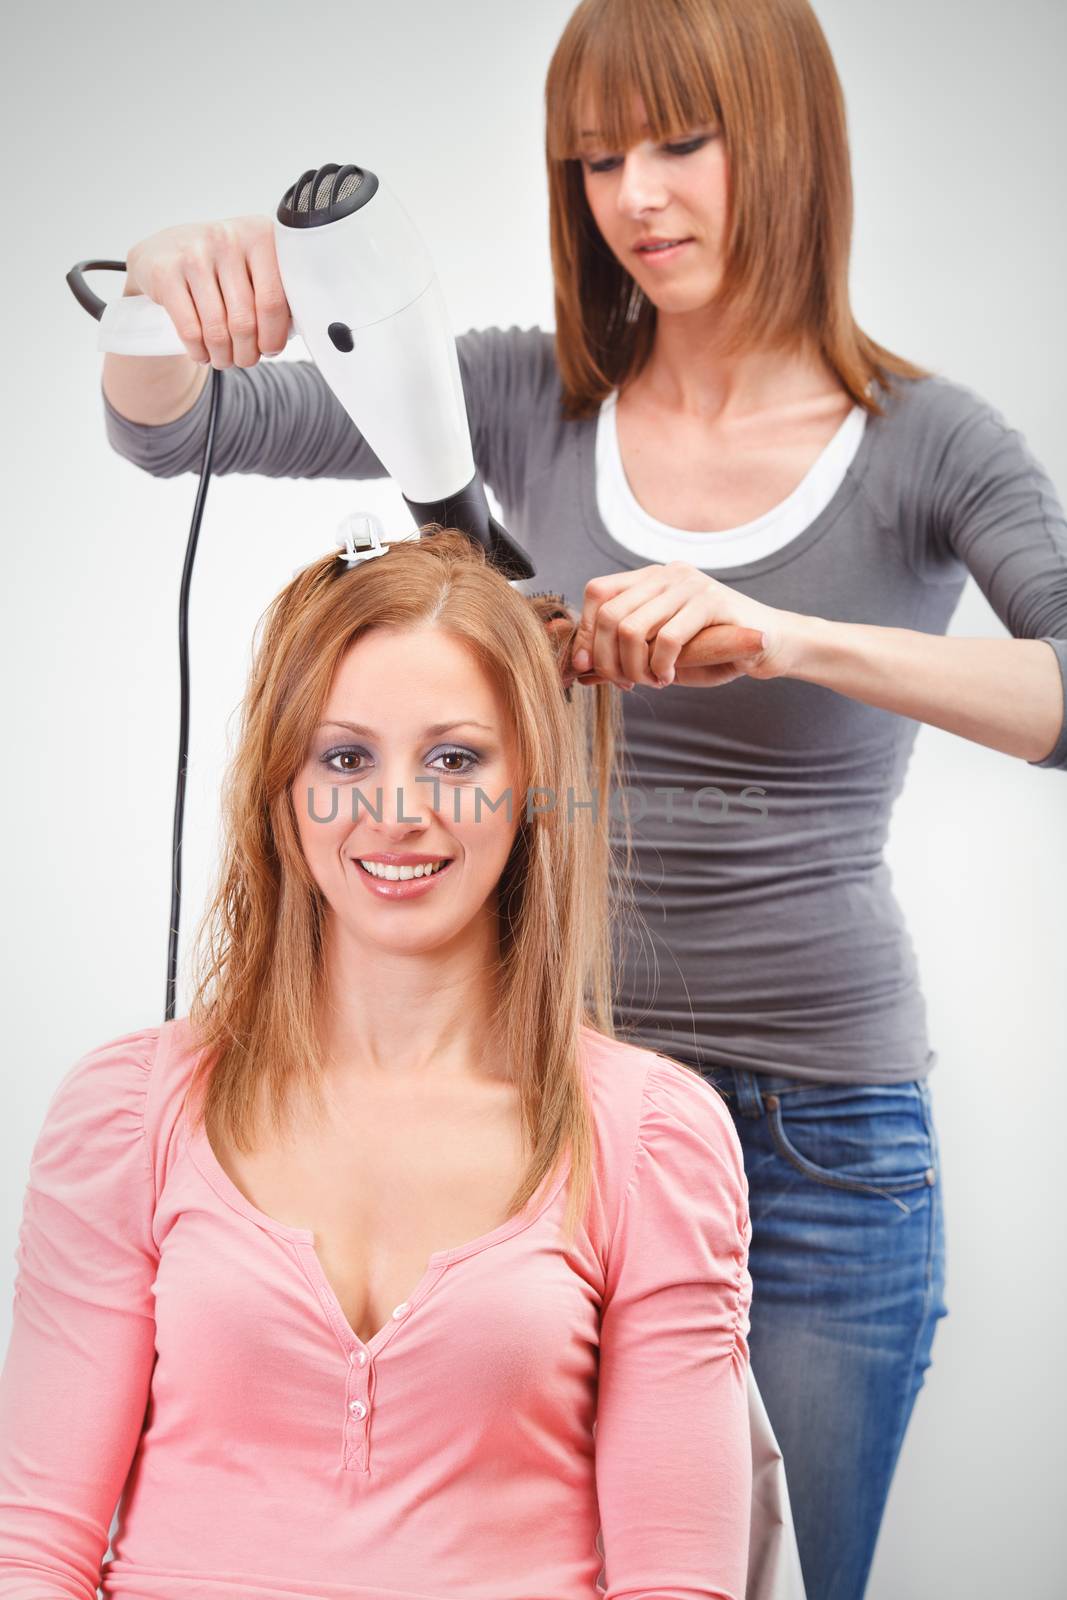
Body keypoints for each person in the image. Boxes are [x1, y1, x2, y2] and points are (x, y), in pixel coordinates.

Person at [93, 0, 1067, 1595]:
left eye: (682, 139)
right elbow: (172, 426)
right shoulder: (511, 396)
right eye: (598, 156)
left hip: (824, 1152)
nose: (637, 194)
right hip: (546, 1109)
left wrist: (789, 635)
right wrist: (162, 288)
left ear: (791, 140)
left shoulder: (928, 444)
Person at [0, 529, 757, 1598]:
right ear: (282, 782)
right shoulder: (130, 1112)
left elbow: (676, 1578)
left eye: (454, 758)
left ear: (531, 782)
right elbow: (34, 1551)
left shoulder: (650, 1138)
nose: (396, 811)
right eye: (344, 757)